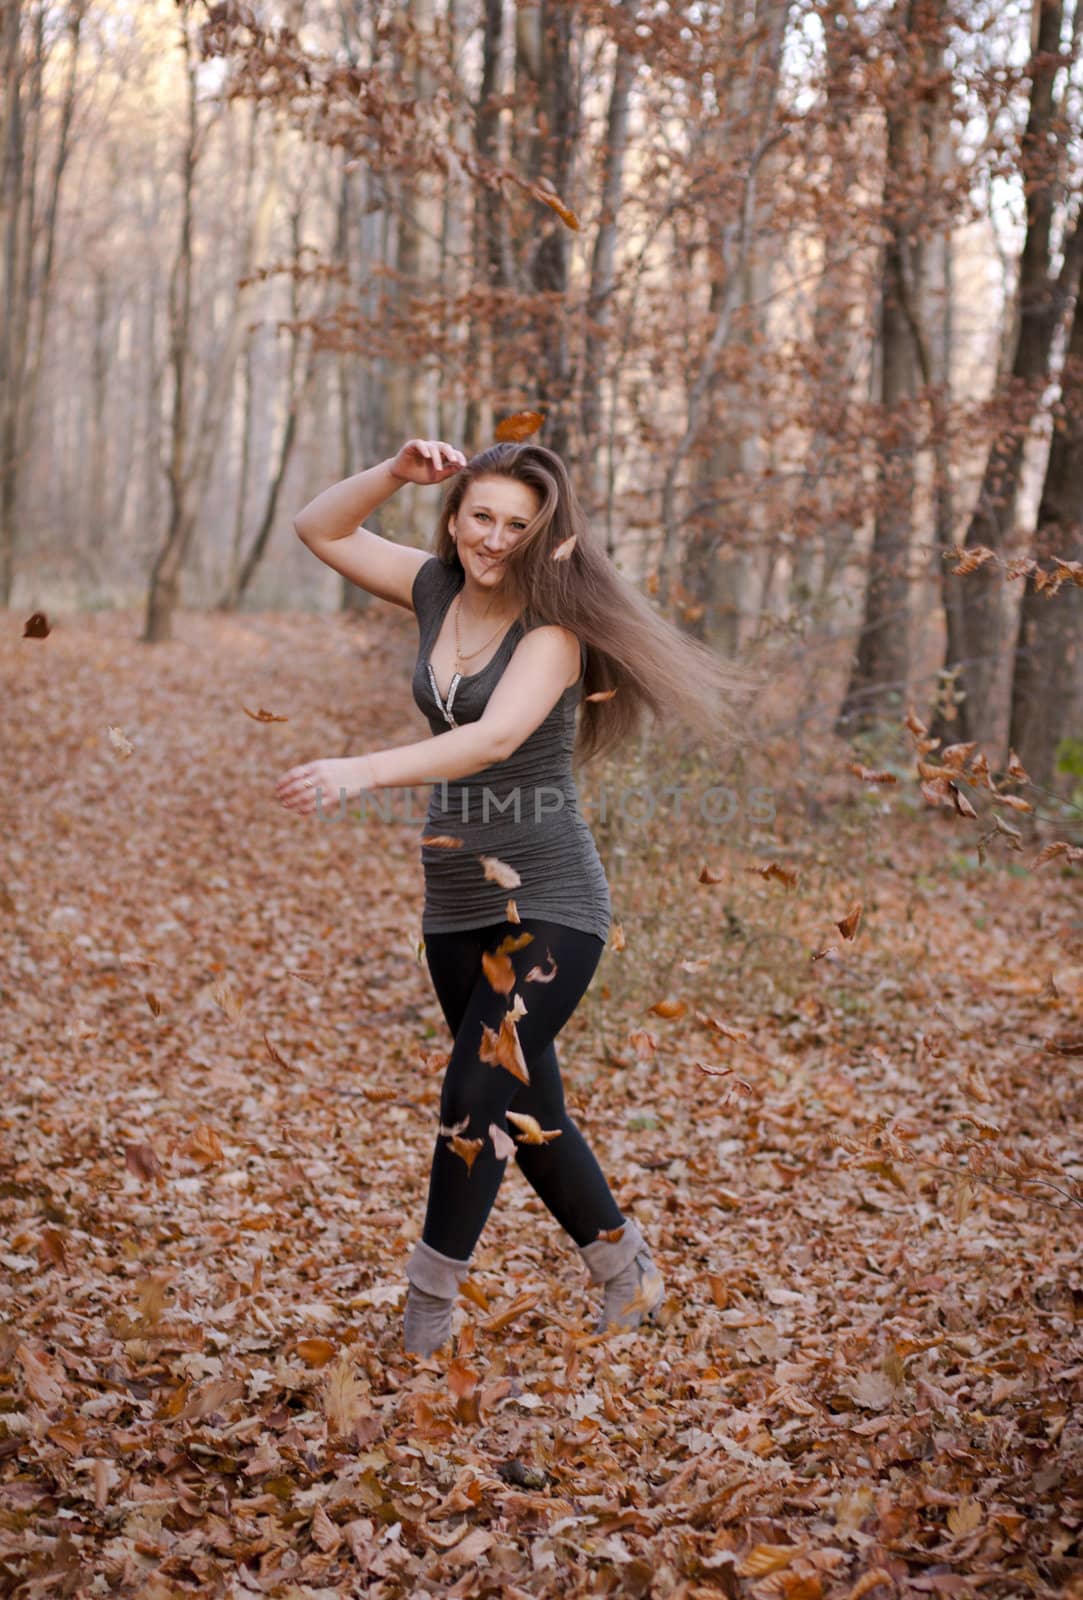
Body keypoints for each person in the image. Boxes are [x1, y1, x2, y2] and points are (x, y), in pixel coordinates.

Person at [275, 437, 755, 1358]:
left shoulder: (552, 633)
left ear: (544, 539)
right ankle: (628, 1274)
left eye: (516, 526)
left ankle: (425, 1316)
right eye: (480, 516)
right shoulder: (432, 589)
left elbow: (492, 741)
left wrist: (360, 770)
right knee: (523, 1106)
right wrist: (392, 474)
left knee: (472, 1091)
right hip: (455, 901)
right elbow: (318, 528)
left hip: (551, 900)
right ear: (454, 519)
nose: (494, 539)